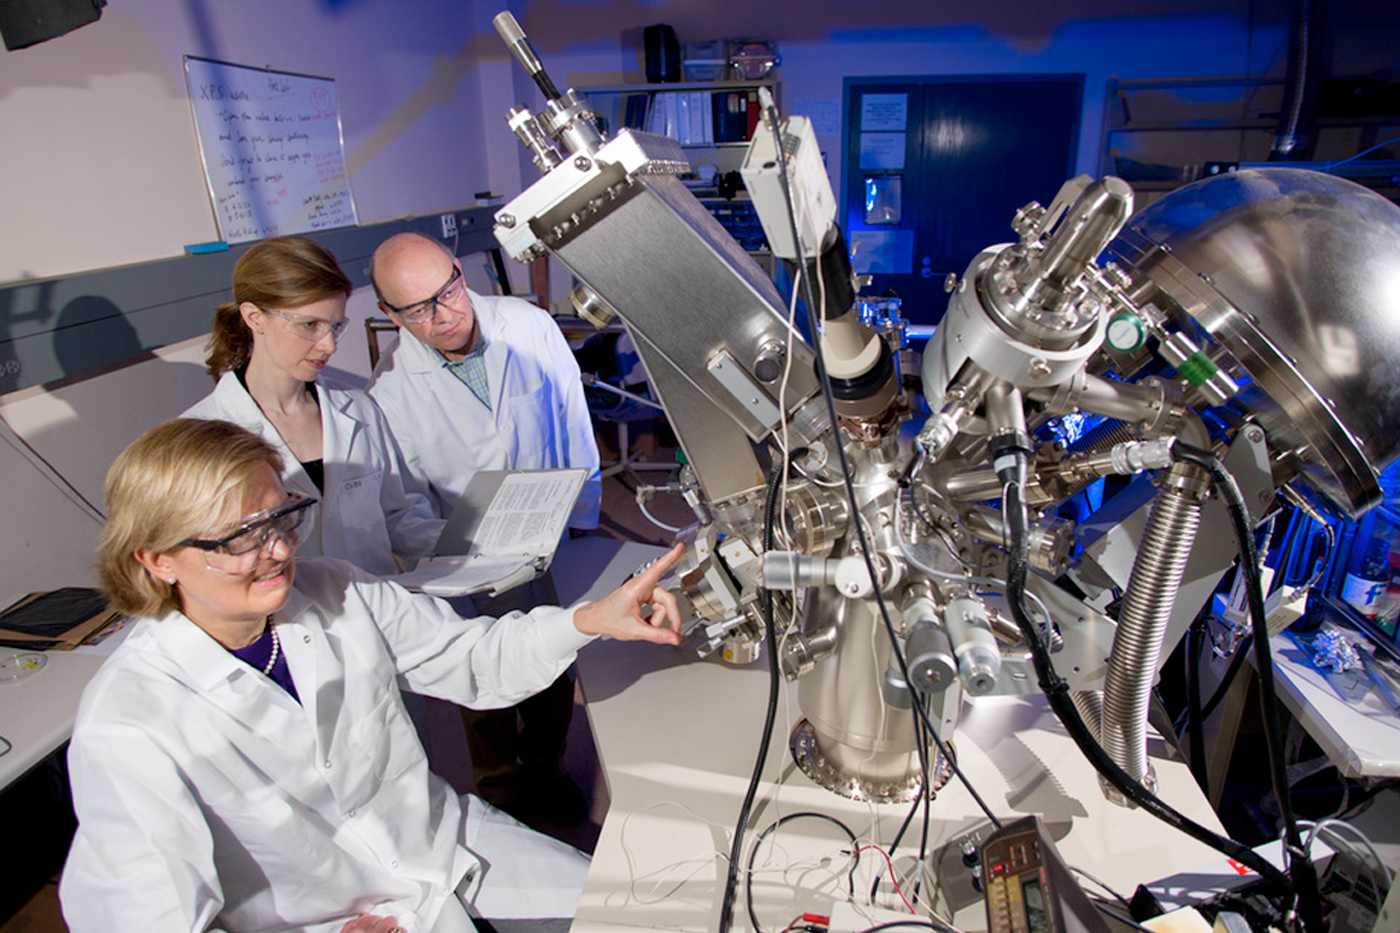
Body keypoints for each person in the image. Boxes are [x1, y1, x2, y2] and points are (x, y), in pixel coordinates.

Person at [59, 418, 683, 933]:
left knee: (648, 918)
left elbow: (472, 659)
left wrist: (591, 619)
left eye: (280, 518)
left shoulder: (335, 588)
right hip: (328, 922)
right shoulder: (127, 723)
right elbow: (143, 920)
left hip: (450, 851)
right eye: (242, 538)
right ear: (158, 559)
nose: (280, 550)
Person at [366, 232, 601, 825]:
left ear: (458, 270)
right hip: (468, 561)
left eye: (448, 290)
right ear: (389, 313)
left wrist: (582, 512)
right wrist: (465, 549)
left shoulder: (526, 326)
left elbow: (572, 418)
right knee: (481, 681)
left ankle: (547, 770)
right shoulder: (388, 393)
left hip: (549, 536)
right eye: (418, 309)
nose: (444, 314)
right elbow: (401, 511)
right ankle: (500, 788)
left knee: (554, 660)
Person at [184, 236, 442, 578]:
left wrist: (484, 547)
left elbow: (400, 519)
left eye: (336, 326)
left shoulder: (359, 409)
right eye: (310, 325)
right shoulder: (200, 436)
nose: (329, 345)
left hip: (380, 604)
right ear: (254, 317)